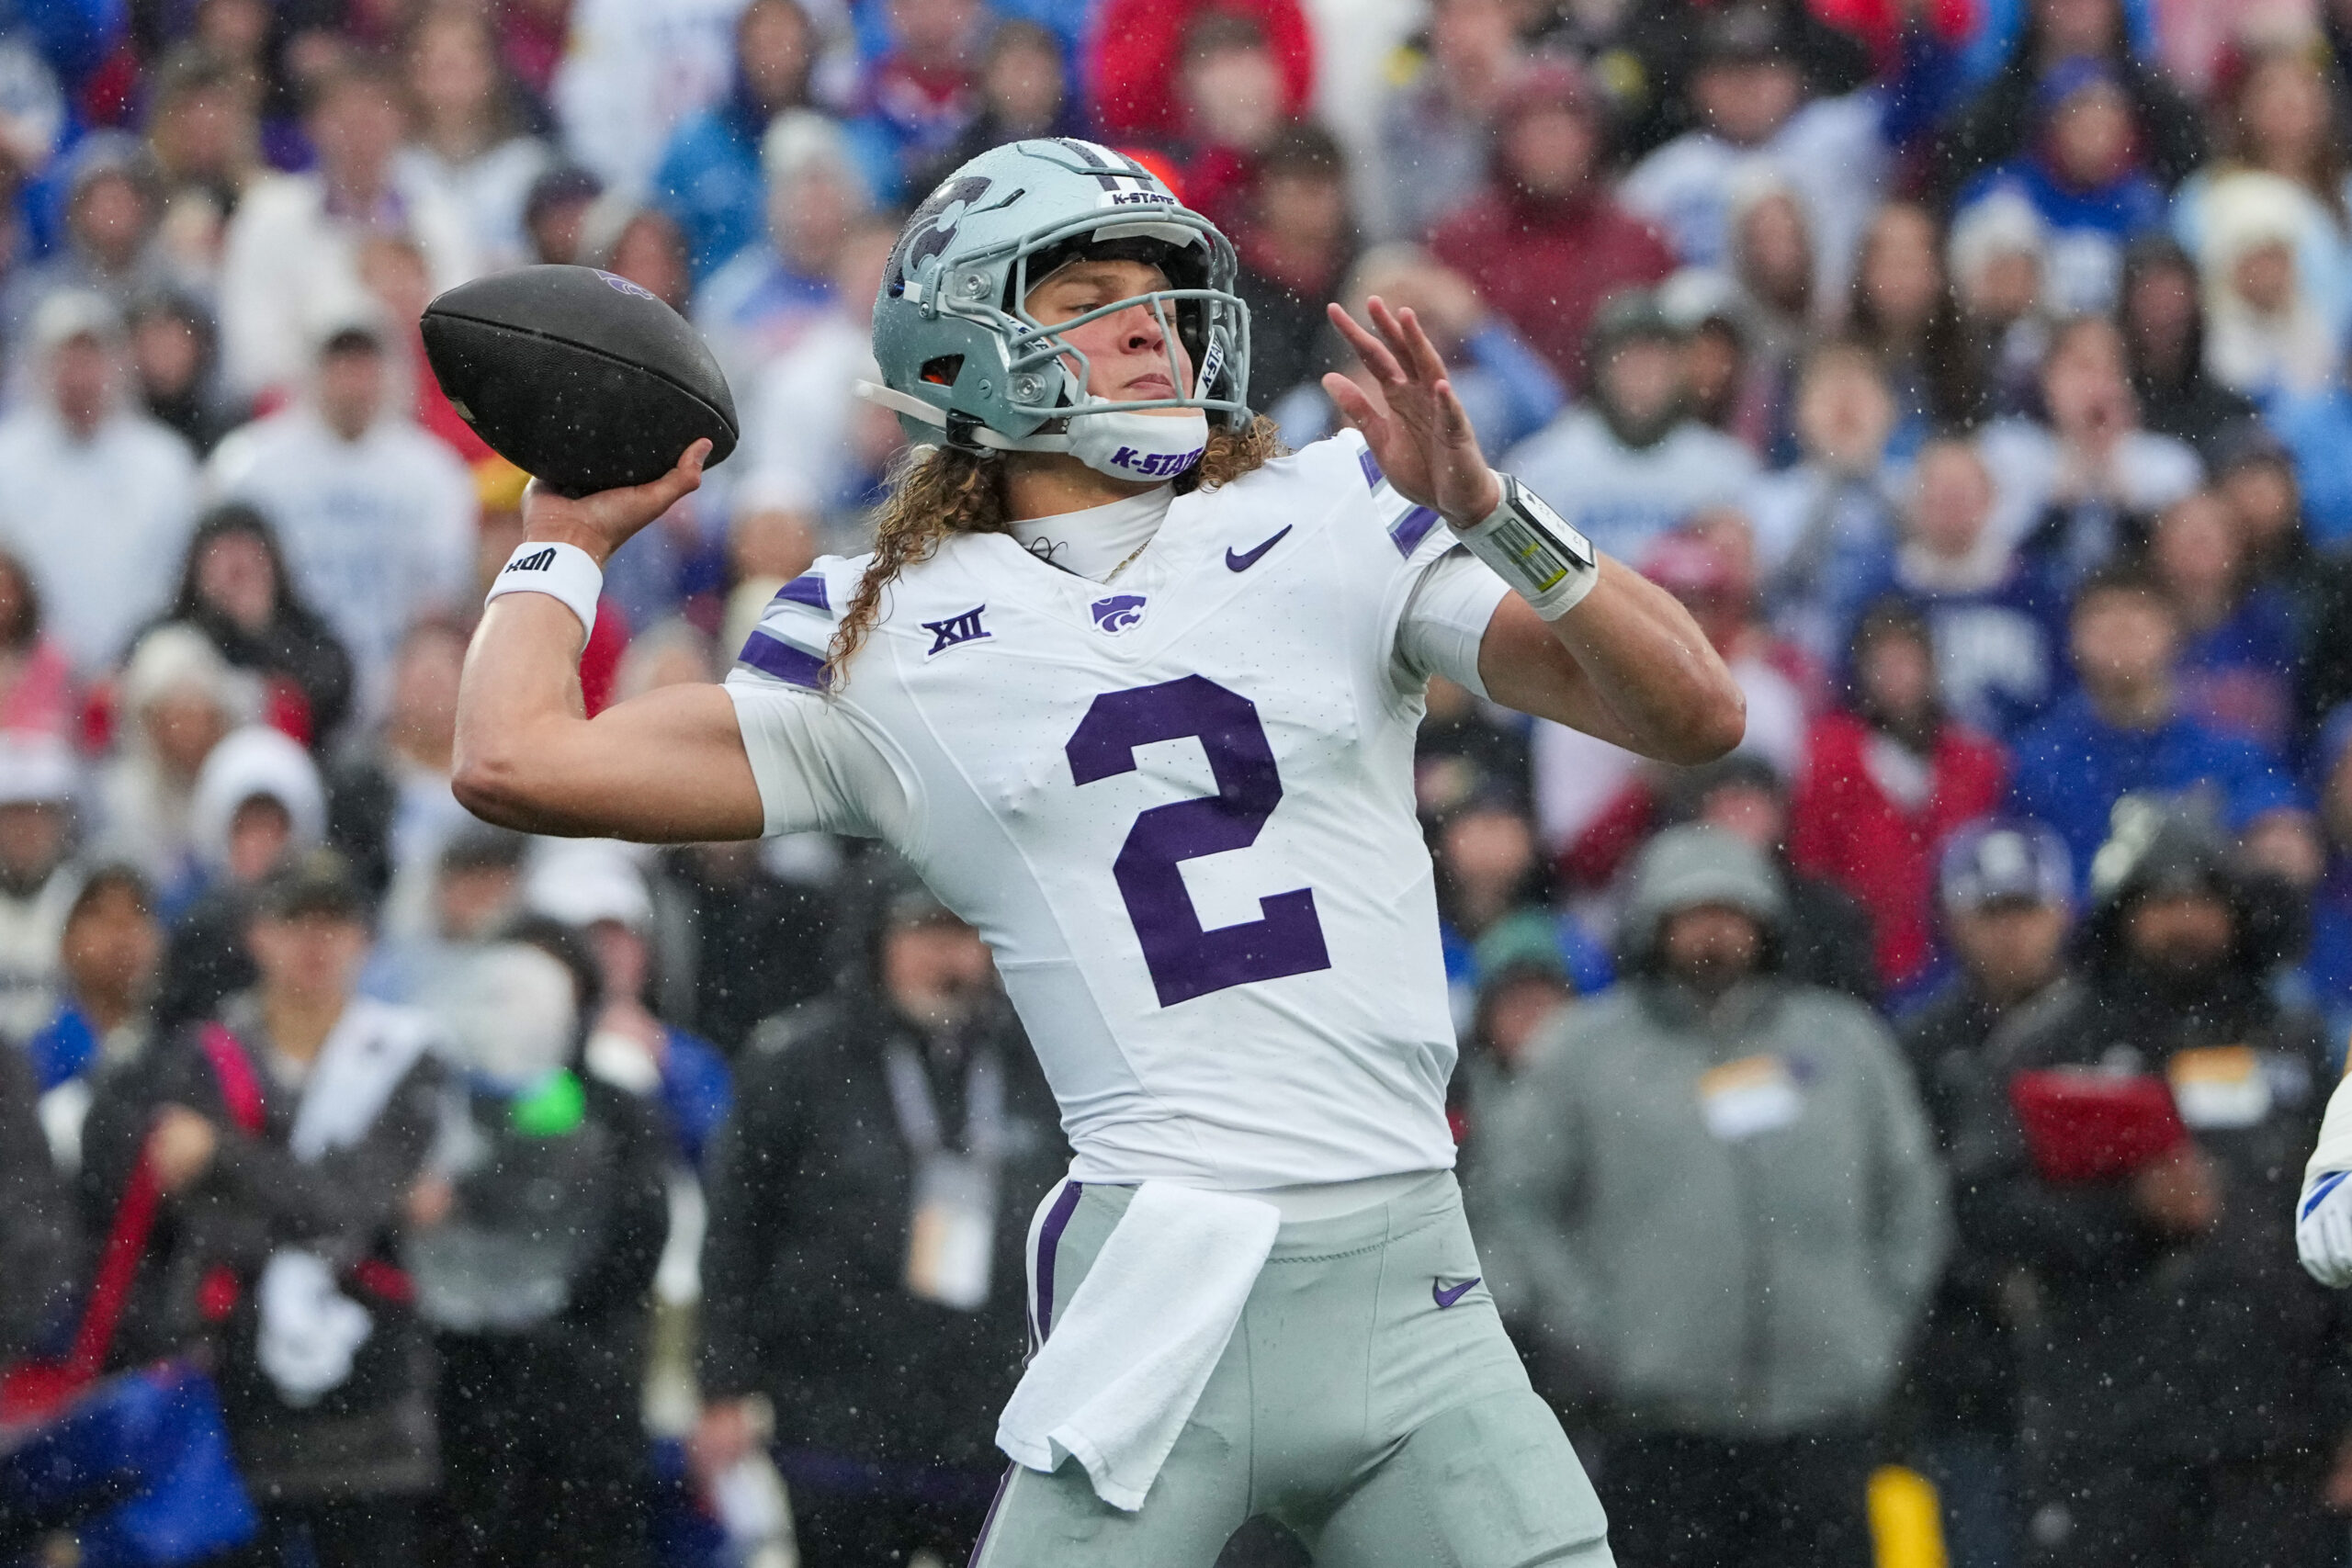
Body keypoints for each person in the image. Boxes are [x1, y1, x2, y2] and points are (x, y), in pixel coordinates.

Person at [451, 137, 1745, 1565]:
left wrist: (1495, 515)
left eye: (1165, 288)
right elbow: (514, 758)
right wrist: (562, 538)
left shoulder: (1328, 512)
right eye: (1092, 287)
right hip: (1163, 1288)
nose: (1150, 321)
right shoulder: (880, 637)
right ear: (961, 346)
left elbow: (1691, 709)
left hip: (1412, 1282)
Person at [1475, 823, 1949, 1568]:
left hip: (1823, 1418)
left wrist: (1874, 1326)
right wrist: (1594, 1333)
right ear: (1651, 924)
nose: (1714, 932)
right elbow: (1516, 1204)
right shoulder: (1583, 1053)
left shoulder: (1844, 1043)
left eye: (1733, 912)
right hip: (1657, 1428)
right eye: (1691, 913)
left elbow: (1912, 1194)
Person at [1977, 807, 2344, 1568]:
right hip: (2106, 1433)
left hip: (2276, 1432)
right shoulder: (2050, 1044)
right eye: (2162, 901)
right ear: (2123, 913)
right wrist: (2126, 1214)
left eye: (2204, 900)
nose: (2185, 922)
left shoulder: (2298, 1042)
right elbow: (1984, 1206)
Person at [75, 851, 446, 1568]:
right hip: (237, 1399)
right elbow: (215, 1222)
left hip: (374, 1412)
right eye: (295, 920)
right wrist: (330, 1206)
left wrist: (225, 1156)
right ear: (257, 935)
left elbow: (355, 1199)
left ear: (364, 938)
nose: (315, 941)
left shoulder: (406, 1055)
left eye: (333, 922)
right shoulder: (204, 1055)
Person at [695, 873, 1069, 1566]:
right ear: (876, 940)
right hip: (838, 1418)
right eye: (923, 931)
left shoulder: (1044, 1060)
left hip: (996, 1416)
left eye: (963, 932)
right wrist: (722, 1384)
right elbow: (735, 1234)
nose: (947, 958)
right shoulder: (797, 1060)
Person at [410, 919, 671, 1568]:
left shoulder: (613, 1111)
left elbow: (637, 1242)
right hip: (453, 1403)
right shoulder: (430, 1107)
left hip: (577, 1413)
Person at [1896, 819, 2074, 1568]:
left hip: (2092, 1343)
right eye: (1990, 913)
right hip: (1966, 1358)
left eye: (2024, 910)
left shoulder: (2103, 1025)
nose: (2010, 934)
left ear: (2062, 912)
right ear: (1954, 920)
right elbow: (1903, 1195)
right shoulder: (1918, 1042)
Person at [206, 318, 478, 715]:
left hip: (396, 693)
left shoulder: (434, 472)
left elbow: (443, 598)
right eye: (340, 363)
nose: (353, 379)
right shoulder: (247, 465)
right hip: (282, 682)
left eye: (364, 363)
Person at [2007, 565, 2303, 885]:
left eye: (2138, 613)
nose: (2120, 630)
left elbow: (2283, 841)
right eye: (2101, 616)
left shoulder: (2234, 757)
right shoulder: (2034, 762)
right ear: (2072, 640)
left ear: (2173, 633)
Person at [215, 59, 474, 403]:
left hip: (420, 420)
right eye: (346, 118)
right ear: (313, 126)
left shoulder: (441, 219)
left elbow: (460, 347)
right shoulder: (268, 217)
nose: (362, 133)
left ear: (402, 122)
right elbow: (252, 359)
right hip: (298, 421)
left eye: (376, 115)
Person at [1790, 602, 2007, 995]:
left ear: (1932, 668)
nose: (1896, 677)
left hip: (1958, 967)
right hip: (1857, 960)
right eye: (1883, 664)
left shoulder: (1975, 762)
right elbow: (1813, 863)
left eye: (1907, 661)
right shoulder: (1829, 755)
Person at [1426, 61, 1677, 389]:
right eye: (1533, 130)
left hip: (1614, 421)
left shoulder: (1640, 241)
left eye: (1561, 129)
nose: (1548, 144)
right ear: (1505, 141)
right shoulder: (1460, 237)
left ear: (1594, 139)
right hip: (1488, 421)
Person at [0, 290, 198, 673]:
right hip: (26, 676)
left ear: (117, 365)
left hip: (139, 672)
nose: (78, 376)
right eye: (66, 361)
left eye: (90, 359)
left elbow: (178, 582)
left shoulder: (166, 462)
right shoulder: (7, 459)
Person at [1838, 434, 2070, 739]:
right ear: (1915, 501)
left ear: (1990, 498)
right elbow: (1852, 691)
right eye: (1938, 492)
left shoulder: (2036, 589)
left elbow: (2061, 688)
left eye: (1962, 493)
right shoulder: (1879, 591)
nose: (1951, 504)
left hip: (2019, 757)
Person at [1505, 292, 1762, 564]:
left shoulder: (1727, 469)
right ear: (1600, 367)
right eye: (1628, 356)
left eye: (1657, 359)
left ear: (1681, 370)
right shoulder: (1543, 465)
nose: (1643, 372)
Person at [148, 503, 356, 750]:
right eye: (222, 554)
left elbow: (330, 698)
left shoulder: (309, 637)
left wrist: (259, 630)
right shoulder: (165, 636)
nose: (236, 570)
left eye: (249, 555)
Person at [651, 0, 820, 280]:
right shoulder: (695, 145)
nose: (775, 60)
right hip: (713, 309)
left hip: (824, 311)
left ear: (809, 51)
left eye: (786, 43)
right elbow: (661, 240)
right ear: (739, 50)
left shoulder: (841, 139)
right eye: (763, 44)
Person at [22, 863, 164, 1175]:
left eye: (137, 914)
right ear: (64, 939)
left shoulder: (187, 1052)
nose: (123, 933)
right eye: (100, 916)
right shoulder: (32, 1064)